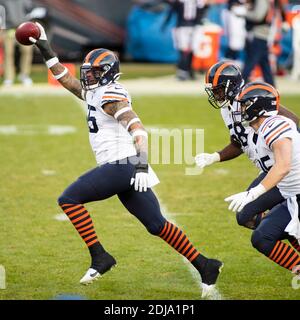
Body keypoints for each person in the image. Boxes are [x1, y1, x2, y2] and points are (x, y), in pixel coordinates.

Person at [28, 22, 223, 298]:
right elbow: (66, 79)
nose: (88, 77)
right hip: (125, 165)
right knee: (157, 225)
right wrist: (44, 45)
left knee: (68, 200)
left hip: (123, 164)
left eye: (94, 72)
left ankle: (100, 257)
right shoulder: (98, 90)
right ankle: (206, 265)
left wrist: (142, 166)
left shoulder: (111, 96)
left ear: (107, 74)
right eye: (88, 72)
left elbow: (139, 131)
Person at [196, 61, 299, 230]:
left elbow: (292, 121)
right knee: (248, 217)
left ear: (231, 85)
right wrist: (215, 157)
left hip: (284, 169)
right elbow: (239, 143)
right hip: (268, 169)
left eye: (218, 89)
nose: (216, 94)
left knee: (262, 227)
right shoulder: (227, 109)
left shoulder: (251, 97)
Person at [225, 82, 300, 275]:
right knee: (262, 236)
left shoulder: (275, 124)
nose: (240, 109)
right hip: (291, 197)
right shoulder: (256, 132)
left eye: (244, 105)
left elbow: (282, 166)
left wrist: (253, 193)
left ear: (257, 106)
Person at [162, 0, 209, 81]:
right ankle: (188, 71)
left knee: (184, 50)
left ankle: (184, 71)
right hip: (194, 26)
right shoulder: (197, 1)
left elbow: (172, 10)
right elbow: (204, 9)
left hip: (183, 25)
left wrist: (165, 24)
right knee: (190, 50)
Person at [240, 0, 276, 86]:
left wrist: (243, 13)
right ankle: (272, 87)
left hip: (259, 34)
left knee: (250, 63)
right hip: (263, 34)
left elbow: (257, 16)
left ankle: (239, 85)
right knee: (265, 65)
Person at [0, 0, 34, 86]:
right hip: (8, 29)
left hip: (23, 29)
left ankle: (24, 75)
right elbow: (1, 14)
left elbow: (30, 11)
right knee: (8, 54)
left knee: (27, 51)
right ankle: (9, 78)